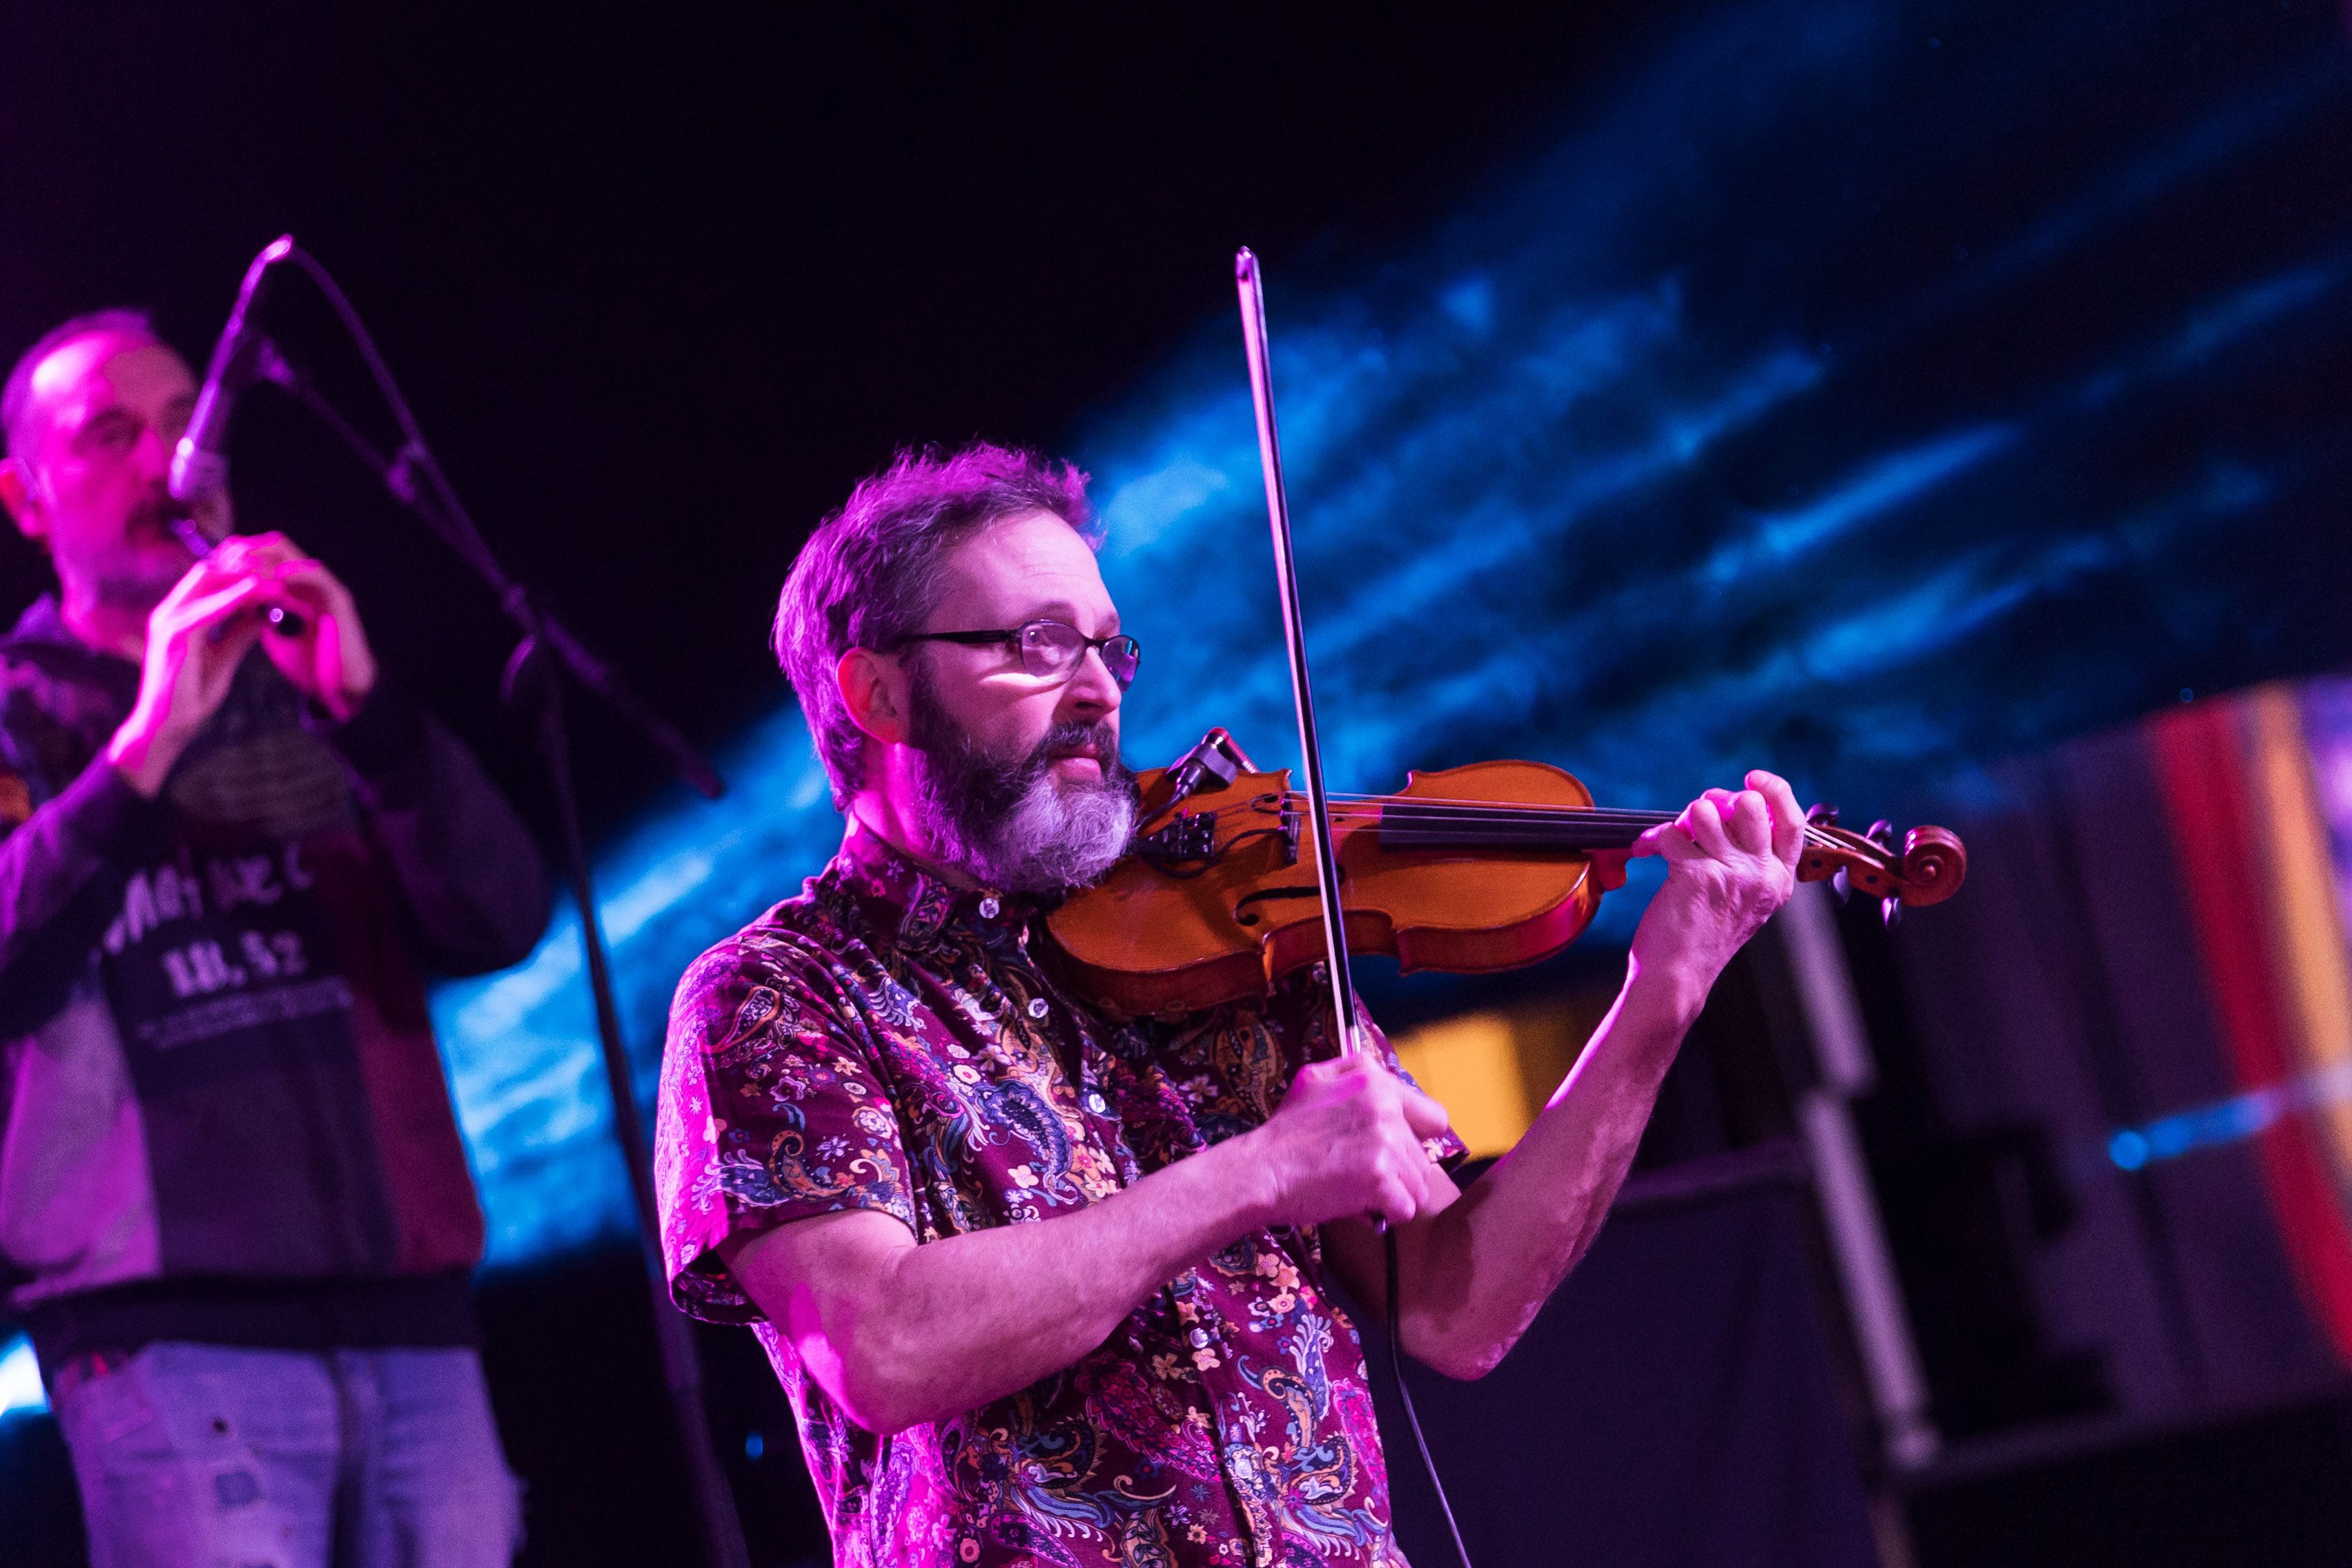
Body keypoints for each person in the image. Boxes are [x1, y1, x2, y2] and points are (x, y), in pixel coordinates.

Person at [654, 442, 1802, 1567]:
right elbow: (885, 1347)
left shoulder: (1228, 934)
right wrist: (1257, 1173)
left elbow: (1459, 1308)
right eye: (1038, 644)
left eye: (1109, 647)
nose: (1098, 690)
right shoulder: (780, 995)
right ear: (880, 692)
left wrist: (1665, 991)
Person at [0, 310, 549, 1567]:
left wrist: (382, 724)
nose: (169, 463)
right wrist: (140, 755)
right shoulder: (15, 710)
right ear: (25, 499)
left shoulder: (307, 676)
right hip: (162, 1342)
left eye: (185, 424)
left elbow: (503, 917)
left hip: (413, 1325)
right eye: (110, 436)